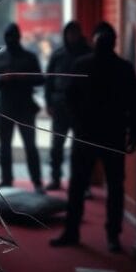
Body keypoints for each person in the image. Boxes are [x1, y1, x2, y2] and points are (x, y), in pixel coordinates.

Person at [50, 22, 136, 253]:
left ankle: (76, 231)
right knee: (110, 187)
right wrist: (134, 131)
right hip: (109, 133)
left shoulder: (86, 64)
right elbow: (135, 103)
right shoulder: (123, 67)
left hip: (92, 134)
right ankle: (110, 236)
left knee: (82, 185)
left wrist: (78, 122)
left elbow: (69, 98)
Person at [0, 23, 45, 192]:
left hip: (25, 107)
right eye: (9, 36)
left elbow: (41, 79)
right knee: (4, 147)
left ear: (19, 37)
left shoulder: (30, 57)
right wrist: (2, 79)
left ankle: (37, 181)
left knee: (30, 146)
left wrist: (24, 76)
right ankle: (6, 180)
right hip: (5, 107)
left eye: (13, 36)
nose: (11, 39)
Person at [44, 21, 91, 190]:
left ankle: (83, 185)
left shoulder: (88, 53)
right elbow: (49, 80)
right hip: (59, 105)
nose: (72, 37)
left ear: (79, 34)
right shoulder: (58, 54)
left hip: (81, 107)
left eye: (75, 33)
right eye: (69, 33)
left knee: (81, 147)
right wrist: (48, 103)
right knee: (57, 145)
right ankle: (56, 178)